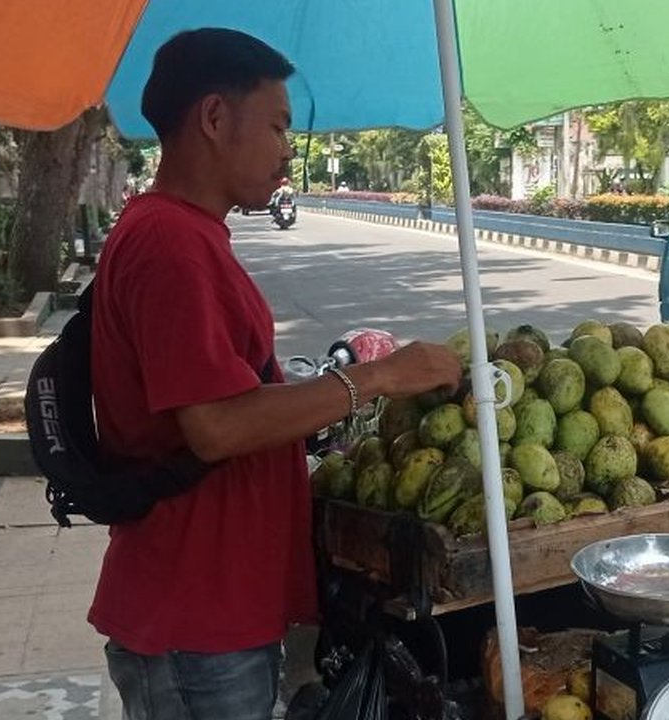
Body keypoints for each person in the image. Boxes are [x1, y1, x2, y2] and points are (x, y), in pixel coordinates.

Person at [88, 28, 462, 720]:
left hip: (212, 607)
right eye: (279, 126)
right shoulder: (171, 245)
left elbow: (229, 393)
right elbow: (215, 426)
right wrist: (374, 379)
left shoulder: (184, 233)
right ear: (214, 118)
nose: (288, 149)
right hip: (196, 615)